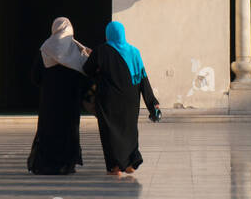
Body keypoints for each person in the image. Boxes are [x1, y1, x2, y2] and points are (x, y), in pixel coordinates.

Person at [84, 21, 161, 176]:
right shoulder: (134, 52)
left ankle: (115, 167)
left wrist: (92, 58)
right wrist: (153, 103)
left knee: (109, 132)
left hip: (108, 101)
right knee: (129, 130)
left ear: (108, 34)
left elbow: (87, 70)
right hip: (131, 101)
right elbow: (143, 79)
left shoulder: (101, 51)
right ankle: (131, 162)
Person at [27, 17, 91, 175]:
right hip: (70, 102)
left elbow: (35, 76)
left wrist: (48, 87)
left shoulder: (45, 50)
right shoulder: (77, 51)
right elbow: (85, 77)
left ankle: (46, 164)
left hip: (49, 102)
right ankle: (67, 165)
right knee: (68, 131)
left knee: (49, 129)